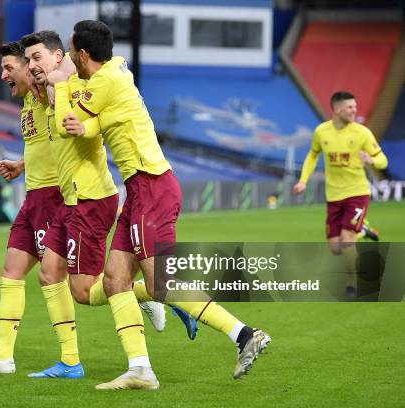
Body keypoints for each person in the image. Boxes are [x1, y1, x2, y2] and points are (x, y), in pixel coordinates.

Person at [53, 20, 271, 390]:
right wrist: (79, 112)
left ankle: (244, 333)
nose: (70, 58)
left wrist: (59, 83)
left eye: (72, 51)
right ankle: (140, 370)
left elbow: (63, 123)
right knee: (115, 279)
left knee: (161, 286)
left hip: (151, 188)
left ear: (83, 55)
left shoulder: (104, 80)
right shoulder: (115, 70)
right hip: (139, 191)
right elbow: (94, 125)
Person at [19, 30, 194, 379]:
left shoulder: (75, 83)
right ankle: (71, 362)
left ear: (63, 56)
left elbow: (74, 123)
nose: (28, 67)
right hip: (68, 196)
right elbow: (55, 142)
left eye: (35, 58)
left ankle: (165, 302)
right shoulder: (52, 89)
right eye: (25, 62)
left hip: (90, 196)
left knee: (95, 287)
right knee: (54, 276)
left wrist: (59, 84)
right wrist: (22, 162)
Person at [0, 41, 62, 375]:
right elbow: (44, 144)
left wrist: (49, 75)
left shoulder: (47, 91)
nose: (3, 74)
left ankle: (140, 293)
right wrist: (20, 164)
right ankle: (3, 357)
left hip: (54, 197)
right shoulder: (28, 101)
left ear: (29, 67)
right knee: (11, 272)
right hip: (33, 197)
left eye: (9, 68)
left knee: (79, 285)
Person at [294, 91, 388, 296]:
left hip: (357, 193)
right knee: (336, 248)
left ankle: (351, 282)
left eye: (355, 107)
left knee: (347, 240)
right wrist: (303, 180)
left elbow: (383, 160)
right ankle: (362, 229)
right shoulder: (321, 132)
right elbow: (312, 155)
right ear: (336, 110)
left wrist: (372, 161)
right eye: (349, 108)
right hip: (334, 196)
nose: (354, 111)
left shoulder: (362, 133)